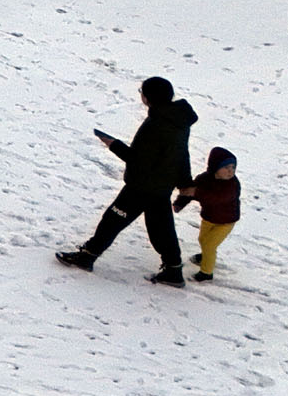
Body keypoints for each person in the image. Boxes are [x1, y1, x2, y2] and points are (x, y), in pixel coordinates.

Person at [58, 76, 198, 284]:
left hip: (142, 186)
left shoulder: (157, 124)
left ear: (148, 98)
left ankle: (87, 256)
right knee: (161, 229)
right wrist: (185, 183)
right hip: (161, 186)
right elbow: (180, 154)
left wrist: (112, 144)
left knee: (112, 220)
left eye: (142, 92)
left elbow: (138, 160)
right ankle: (173, 270)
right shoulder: (178, 121)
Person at [177, 146, 241, 282]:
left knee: (210, 245)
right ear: (215, 167)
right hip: (209, 218)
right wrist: (180, 202)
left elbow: (216, 198)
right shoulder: (204, 179)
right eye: (226, 167)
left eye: (233, 167)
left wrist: (196, 192)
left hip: (226, 222)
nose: (231, 171)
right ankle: (206, 256)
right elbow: (191, 191)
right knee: (203, 240)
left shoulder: (232, 185)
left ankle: (206, 273)